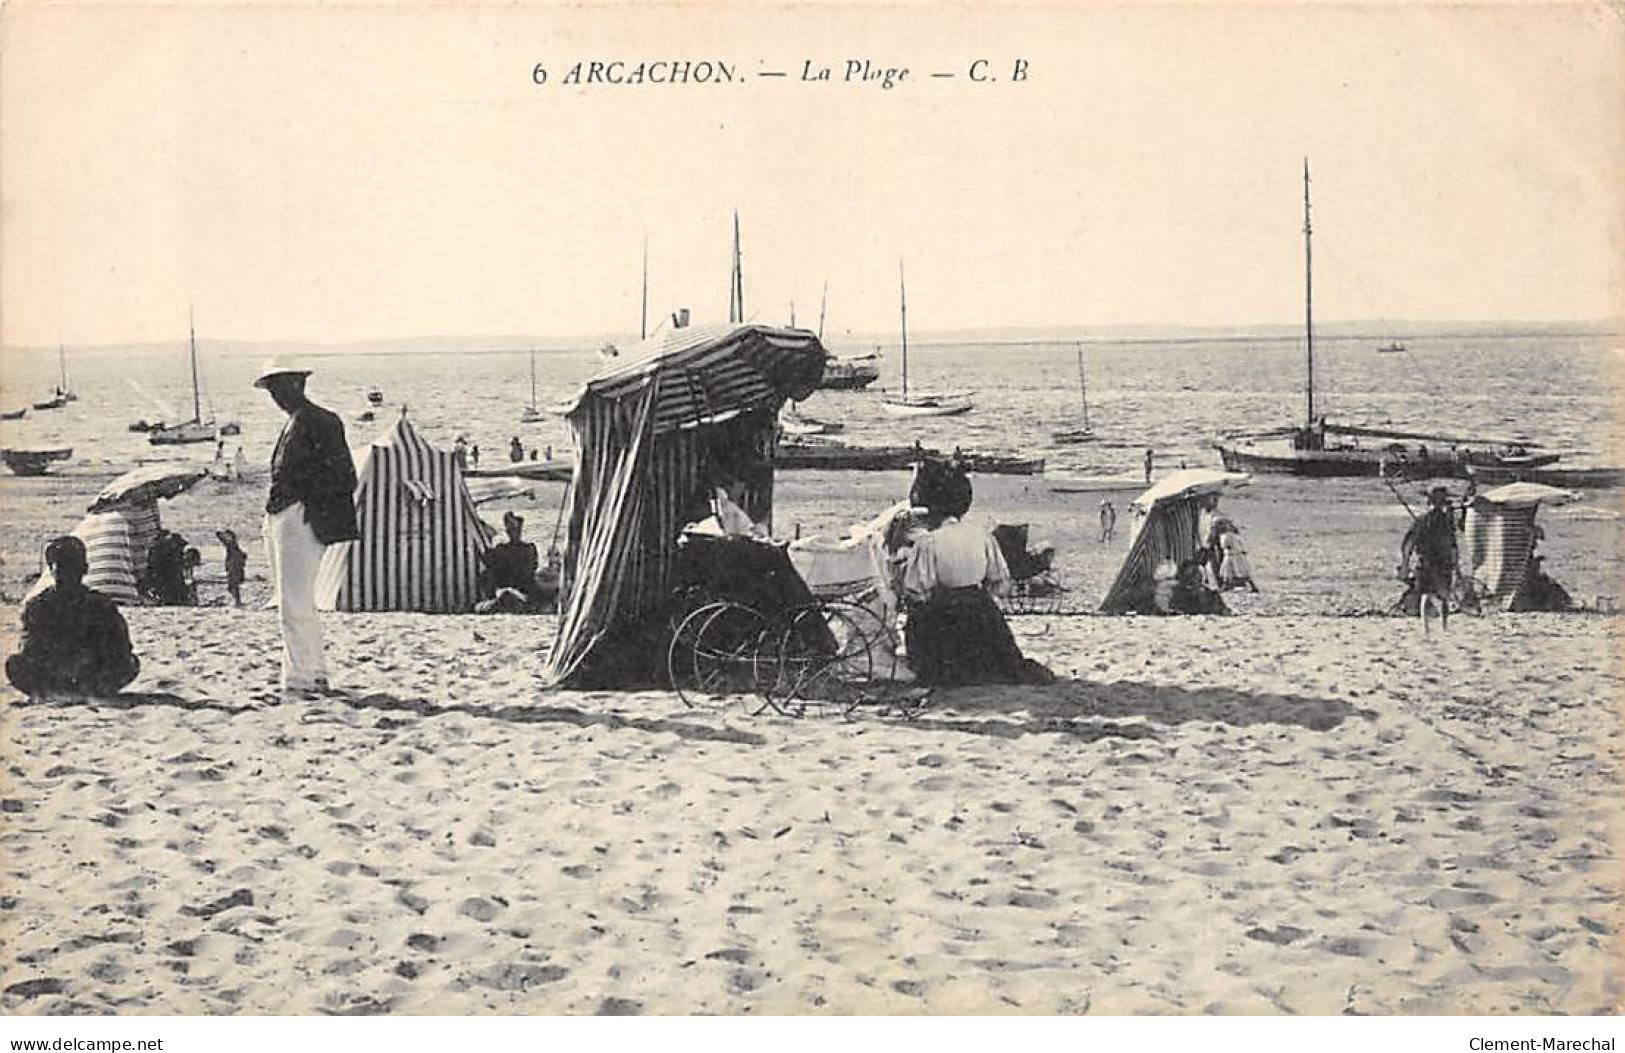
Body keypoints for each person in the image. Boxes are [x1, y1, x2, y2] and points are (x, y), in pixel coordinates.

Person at [899, 458, 1052, 687]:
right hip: (981, 613)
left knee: (920, 628)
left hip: (942, 612)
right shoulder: (981, 535)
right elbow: (1000, 581)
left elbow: (917, 588)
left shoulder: (928, 542)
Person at [256, 360, 359, 695]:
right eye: (273, 389)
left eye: (280, 387)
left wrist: (303, 499)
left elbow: (343, 476)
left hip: (299, 515)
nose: (277, 396)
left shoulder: (315, 422)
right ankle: (310, 672)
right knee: (296, 600)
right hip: (291, 514)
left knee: (293, 602)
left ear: (297, 385)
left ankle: (302, 677)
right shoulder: (307, 421)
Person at [6, 536, 140, 697]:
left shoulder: (100, 604)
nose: (68, 575)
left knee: (129, 663)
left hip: (90, 674)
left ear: (84, 569)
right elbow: (30, 649)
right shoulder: (38, 606)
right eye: (63, 568)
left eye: (72, 568)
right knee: (15, 664)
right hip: (56, 674)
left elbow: (120, 646)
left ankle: (61, 692)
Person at [1400, 485, 1459, 635]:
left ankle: (1426, 627)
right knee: (1442, 594)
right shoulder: (1443, 521)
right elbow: (1452, 545)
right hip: (1438, 561)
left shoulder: (1424, 520)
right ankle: (1443, 627)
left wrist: (1405, 564)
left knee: (1428, 594)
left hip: (1428, 561)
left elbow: (1408, 544)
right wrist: (1455, 563)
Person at [476, 511, 542, 613]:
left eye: (515, 530)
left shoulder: (528, 549)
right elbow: (488, 564)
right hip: (504, 590)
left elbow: (530, 571)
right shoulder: (501, 550)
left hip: (522, 591)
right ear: (507, 532)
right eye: (511, 530)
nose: (514, 533)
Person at [1216, 521, 1260, 592]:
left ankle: (1225, 586)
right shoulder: (1235, 535)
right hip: (1237, 554)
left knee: (1228, 571)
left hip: (1231, 555)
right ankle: (1226, 586)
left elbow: (1224, 546)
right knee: (1240, 572)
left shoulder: (1225, 536)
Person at [218, 529, 248, 607]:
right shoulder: (232, 547)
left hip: (235, 569)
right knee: (232, 587)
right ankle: (237, 601)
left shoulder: (233, 547)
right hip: (233, 569)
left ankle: (237, 601)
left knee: (233, 586)